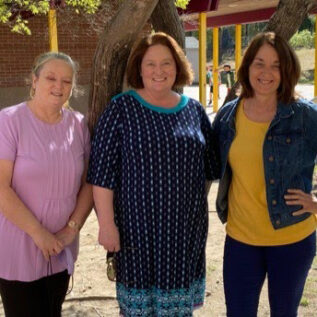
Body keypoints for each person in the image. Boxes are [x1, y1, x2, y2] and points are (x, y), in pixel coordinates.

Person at [87, 32, 219, 316]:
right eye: (150, 64)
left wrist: (186, 205)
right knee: (138, 309)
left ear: (178, 66)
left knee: (177, 310)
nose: (159, 71)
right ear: (139, 67)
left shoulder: (194, 111)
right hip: (136, 231)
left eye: (166, 63)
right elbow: (101, 173)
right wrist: (107, 225)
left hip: (183, 233)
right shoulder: (121, 108)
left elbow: (208, 169)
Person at [212, 32, 317, 317]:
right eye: (259, 63)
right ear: (247, 68)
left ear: (287, 70)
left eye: (276, 65)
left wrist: (316, 203)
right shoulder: (228, 116)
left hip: (292, 239)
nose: (267, 73)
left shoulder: (305, 116)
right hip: (241, 240)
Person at [0, 52, 93, 317]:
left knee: (53, 311)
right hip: (19, 244)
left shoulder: (78, 125)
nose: (58, 86)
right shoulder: (9, 121)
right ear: (34, 80)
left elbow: (88, 183)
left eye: (66, 81)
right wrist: (38, 233)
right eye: (51, 78)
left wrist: (71, 229)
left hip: (61, 246)